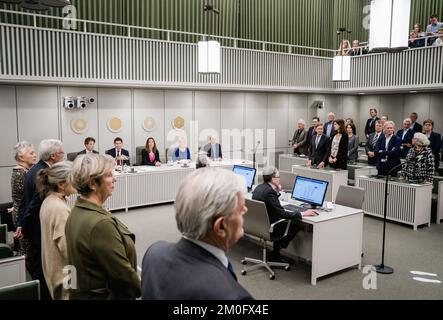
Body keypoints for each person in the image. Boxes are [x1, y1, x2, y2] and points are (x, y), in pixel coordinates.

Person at [141, 168, 253, 300]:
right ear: (221, 226)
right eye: (240, 210)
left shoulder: (154, 253)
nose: (245, 210)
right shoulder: (234, 297)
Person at [65, 154, 140, 299]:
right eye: (109, 175)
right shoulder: (100, 225)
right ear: (93, 183)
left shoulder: (76, 212)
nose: (115, 178)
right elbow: (124, 277)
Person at [17, 139, 64, 300]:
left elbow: (24, 201)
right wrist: (24, 227)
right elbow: (33, 204)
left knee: (39, 265)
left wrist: (21, 224)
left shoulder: (33, 169)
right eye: (61, 153)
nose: (63, 156)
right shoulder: (45, 173)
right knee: (42, 269)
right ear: (52, 156)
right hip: (38, 229)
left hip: (32, 227)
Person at [252, 167, 318, 262]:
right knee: (294, 226)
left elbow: (271, 202)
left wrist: (277, 192)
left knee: (284, 222)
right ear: (273, 178)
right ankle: (276, 253)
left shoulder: (259, 187)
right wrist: (303, 213)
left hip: (259, 225)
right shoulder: (270, 192)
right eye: (278, 177)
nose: (279, 179)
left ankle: (275, 252)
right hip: (270, 227)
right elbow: (282, 214)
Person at [37, 161, 75, 300]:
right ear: (61, 184)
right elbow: (68, 250)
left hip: (55, 271)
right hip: (66, 275)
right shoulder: (59, 208)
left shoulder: (50, 200)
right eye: (73, 179)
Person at [11, 141, 37, 259]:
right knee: (28, 252)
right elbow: (26, 199)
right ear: (21, 157)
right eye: (31, 153)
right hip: (23, 216)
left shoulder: (23, 171)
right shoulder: (21, 173)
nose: (35, 155)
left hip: (21, 212)